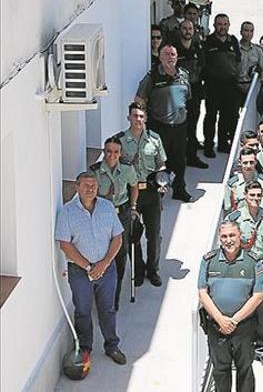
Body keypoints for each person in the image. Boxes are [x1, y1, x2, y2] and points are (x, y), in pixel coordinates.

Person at [55, 171, 127, 368]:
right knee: (83, 311)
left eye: (93, 185)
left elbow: (117, 238)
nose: (90, 189)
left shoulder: (107, 207)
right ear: (77, 187)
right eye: (86, 185)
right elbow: (64, 244)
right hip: (80, 272)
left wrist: (103, 265)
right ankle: (85, 348)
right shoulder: (67, 212)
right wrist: (88, 267)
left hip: (107, 269)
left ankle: (112, 346)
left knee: (108, 310)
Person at [197, 221, 263, 392]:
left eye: (232, 235)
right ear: (220, 239)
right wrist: (221, 320)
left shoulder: (253, 261)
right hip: (216, 327)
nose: (228, 240)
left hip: (244, 327)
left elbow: (258, 296)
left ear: (239, 235)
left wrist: (233, 320)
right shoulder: (209, 260)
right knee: (220, 371)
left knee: (245, 371)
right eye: (224, 236)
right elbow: (202, 294)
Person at [115, 102, 166, 287]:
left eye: (141, 116)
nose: (138, 119)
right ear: (128, 117)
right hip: (130, 195)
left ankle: (153, 270)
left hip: (151, 193)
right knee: (132, 235)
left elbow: (161, 164)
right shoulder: (119, 140)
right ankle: (138, 270)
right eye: (135, 116)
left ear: (146, 118)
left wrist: (163, 182)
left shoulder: (154, 139)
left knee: (154, 235)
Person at [135, 44, 192, 202]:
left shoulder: (184, 75)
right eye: (166, 54)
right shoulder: (152, 76)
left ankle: (179, 189)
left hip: (180, 127)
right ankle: (156, 193)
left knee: (179, 161)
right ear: (160, 57)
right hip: (159, 127)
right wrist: (143, 119)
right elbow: (139, 99)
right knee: (158, 161)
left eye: (173, 54)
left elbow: (186, 97)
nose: (170, 57)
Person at [89, 136, 139, 310]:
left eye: (116, 152)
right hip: (101, 215)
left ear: (120, 153)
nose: (112, 155)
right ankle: (100, 294)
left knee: (119, 255)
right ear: (104, 151)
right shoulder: (95, 171)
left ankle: (113, 300)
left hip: (121, 214)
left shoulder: (127, 169)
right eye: (109, 151)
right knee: (100, 253)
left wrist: (133, 206)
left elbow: (134, 185)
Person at [202, 13, 242, 157]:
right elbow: (202, 63)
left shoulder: (233, 41)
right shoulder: (208, 41)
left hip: (230, 85)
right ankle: (208, 146)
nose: (222, 27)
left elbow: (238, 61)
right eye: (219, 24)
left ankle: (223, 144)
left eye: (225, 24)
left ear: (229, 25)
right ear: (214, 25)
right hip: (213, 85)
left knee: (227, 116)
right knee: (211, 116)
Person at [171, 19, 209, 169]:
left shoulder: (197, 47)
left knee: (192, 125)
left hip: (194, 93)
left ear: (194, 31)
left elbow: (202, 67)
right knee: (178, 127)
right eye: (185, 28)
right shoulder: (174, 49)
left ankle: (192, 157)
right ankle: (177, 159)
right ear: (180, 30)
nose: (187, 31)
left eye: (190, 29)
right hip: (178, 94)